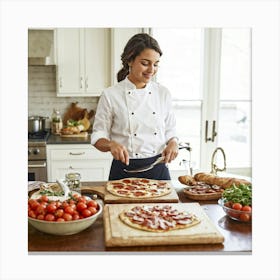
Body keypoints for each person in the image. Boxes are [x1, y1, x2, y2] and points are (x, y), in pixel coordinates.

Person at [91, 33, 178, 180]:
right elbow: (98, 136)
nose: (151, 70)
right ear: (130, 60)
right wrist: (111, 145)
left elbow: (170, 130)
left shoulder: (163, 93)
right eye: (145, 63)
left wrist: (174, 143)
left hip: (158, 168)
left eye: (155, 64)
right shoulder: (111, 95)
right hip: (124, 171)